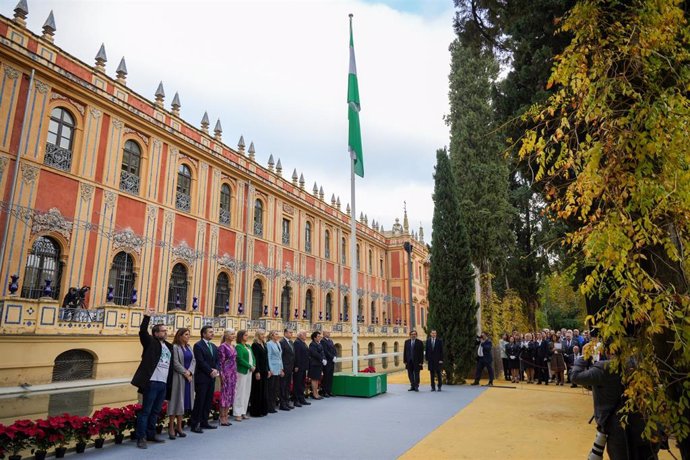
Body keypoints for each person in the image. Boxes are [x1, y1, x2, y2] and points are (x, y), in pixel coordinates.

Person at [571, 348, 659, 460]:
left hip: (617, 429)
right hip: (644, 425)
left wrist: (583, 357)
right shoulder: (642, 365)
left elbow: (575, 377)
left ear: (608, 351)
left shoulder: (605, 367)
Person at [131, 308, 173, 449]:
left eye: (166, 331)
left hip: (163, 383)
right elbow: (142, 332)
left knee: (155, 411)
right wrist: (147, 317)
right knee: (146, 411)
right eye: (162, 331)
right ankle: (141, 437)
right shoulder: (150, 343)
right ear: (156, 333)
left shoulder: (168, 346)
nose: (165, 333)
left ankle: (151, 434)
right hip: (152, 382)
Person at [190, 325, 219, 433]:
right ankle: (195, 424)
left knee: (208, 400)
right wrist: (210, 371)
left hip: (212, 377)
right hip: (202, 377)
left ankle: (204, 421)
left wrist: (216, 369)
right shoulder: (198, 345)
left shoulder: (213, 346)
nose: (212, 333)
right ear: (203, 334)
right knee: (200, 400)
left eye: (213, 331)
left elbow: (217, 360)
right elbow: (200, 361)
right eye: (210, 332)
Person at [167, 328, 195, 440]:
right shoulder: (175, 347)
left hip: (188, 378)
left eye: (189, 334)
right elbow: (175, 363)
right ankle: (171, 427)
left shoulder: (189, 347)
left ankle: (179, 427)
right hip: (178, 378)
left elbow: (194, 361)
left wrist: (190, 372)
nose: (188, 336)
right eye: (186, 334)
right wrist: (185, 372)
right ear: (180, 336)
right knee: (176, 402)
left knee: (183, 403)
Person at [217, 328, 237, 426]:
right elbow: (221, 362)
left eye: (234, 334)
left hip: (233, 373)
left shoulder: (233, 346)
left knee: (230, 394)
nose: (234, 335)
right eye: (232, 334)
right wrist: (221, 374)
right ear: (227, 335)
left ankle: (226, 415)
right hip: (226, 373)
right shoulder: (222, 347)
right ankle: (222, 417)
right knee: (224, 395)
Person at [233, 330, 254, 422]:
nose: (247, 336)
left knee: (246, 391)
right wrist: (249, 366)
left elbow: (253, 357)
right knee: (240, 392)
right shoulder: (238, 347)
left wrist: (254, 365)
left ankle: (243, 412)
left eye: (247, 335)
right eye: (245, 335)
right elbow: (240, 359)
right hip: (242, 371)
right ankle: (237, 413)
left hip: (250, 371)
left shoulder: (248, 346)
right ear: (241, 336)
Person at [250, 329, 270, 417]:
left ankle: (263, 410)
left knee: (264, 391)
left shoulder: (264, 344)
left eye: (264, 334)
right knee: (257, 391)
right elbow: (256, 359)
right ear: (257, 335)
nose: (263, 336)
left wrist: (268, 369)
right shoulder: (255, 345)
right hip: (258, 371)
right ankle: (256, 411)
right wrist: (257, 371)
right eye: (261, 334)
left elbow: (266, 359)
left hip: (264, 370)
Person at [266, 330, 283, 413]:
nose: (278, 335)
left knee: (276, 388)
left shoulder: (278, 343)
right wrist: (270, 369)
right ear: (272, 336)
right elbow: (268, 357)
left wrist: (282, 368)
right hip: (273, 367)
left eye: (278, 334)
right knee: (271, 388)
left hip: (278, 367)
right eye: (276, 334)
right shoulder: (269, 344)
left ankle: (273, 405)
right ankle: (269, 406)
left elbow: (280, 357)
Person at [293, 331, 311, 407]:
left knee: (302, 384)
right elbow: (296, 355)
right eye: (304, 334)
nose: (306, 335)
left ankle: (301, 398)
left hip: (303, 366)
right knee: (297, 384)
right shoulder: (297, 342)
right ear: (300, 335)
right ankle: (296, 400)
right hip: (299, 367)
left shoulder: (303, 342)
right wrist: (296, 365)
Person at [280, 329, 296, 409]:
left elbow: (293, 355)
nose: (291, 334)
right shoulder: (282, 342)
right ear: (285, 333)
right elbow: (281, 356)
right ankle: (282, 403)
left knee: (288, 386)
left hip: (290, 367)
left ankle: (287, 401)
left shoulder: (291, 342)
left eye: (292, 333)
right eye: (290, 332)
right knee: (283, 385)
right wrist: (281, 368)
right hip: (284, 367)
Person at [308, 331, 326, 399]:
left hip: (319, 364)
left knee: (317, 379)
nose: (320, 337)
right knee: (314, 379)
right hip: (314, 364)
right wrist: (322, 359)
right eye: (318, 336)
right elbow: (315, 353)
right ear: (314, 338)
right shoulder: (312, 344)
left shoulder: (319, 344)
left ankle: (317, 393)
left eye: (320, 336)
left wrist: (324, 359)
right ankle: (314, 394)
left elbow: (322, 352)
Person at [321, 330, 337, 397]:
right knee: (326, 377)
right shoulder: (323, 341)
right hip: (327, 361)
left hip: (332, 361)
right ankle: (324, 391)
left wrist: (335, 356)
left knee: (330, 377)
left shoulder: (330, 341)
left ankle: (329, 390)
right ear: (324, 334)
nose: (329, 333)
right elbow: (325, 351)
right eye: (327, 332)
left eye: (329, 332)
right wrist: (332, 357)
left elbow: (334, 349)